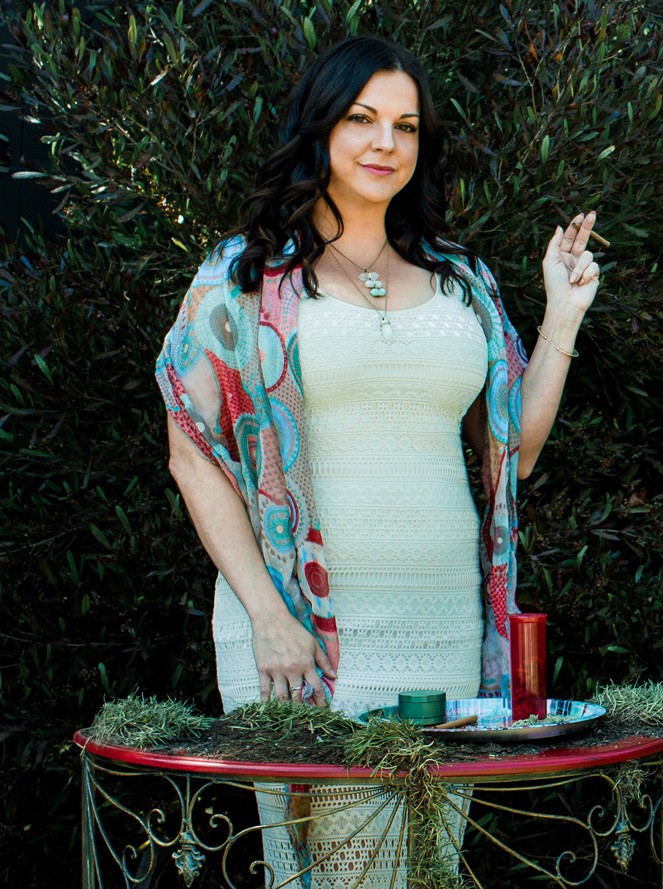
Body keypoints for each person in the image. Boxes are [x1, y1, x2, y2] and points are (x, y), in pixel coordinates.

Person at [155, 34, 599, 887]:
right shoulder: (242, 278)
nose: (385, 143)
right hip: (296, 630)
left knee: (420, 869)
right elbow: (191, 455)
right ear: (322, 127)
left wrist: (563, 313)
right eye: (362, 118)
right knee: (320, 873)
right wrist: (266, 615)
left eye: (406, 125)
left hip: (442, 630)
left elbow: (514, 453)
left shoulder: (462, 281)